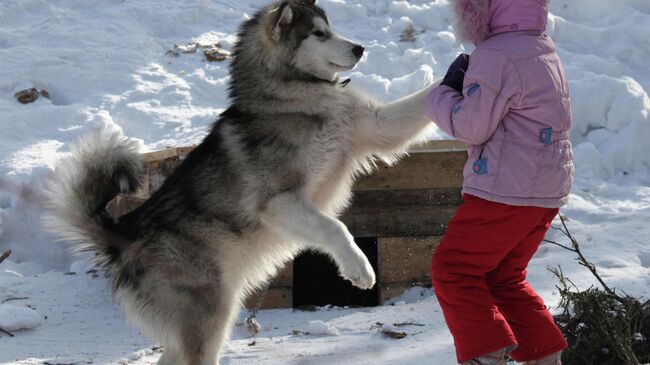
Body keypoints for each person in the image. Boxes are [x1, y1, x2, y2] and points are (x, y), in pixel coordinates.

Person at [424, 0, 574, 364]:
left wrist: (443, 94)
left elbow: (473, 126)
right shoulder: (542, 47)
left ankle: (486, 356)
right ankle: (543, 357)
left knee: (454, 269)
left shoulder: (497, 55)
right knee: (503, 276)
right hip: (545, 189)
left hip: (506, 190)